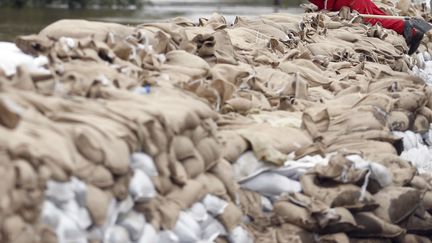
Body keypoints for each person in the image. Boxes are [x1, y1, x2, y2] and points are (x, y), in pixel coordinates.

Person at [309, 0, 424, 55]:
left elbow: (326, 4)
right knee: (381, 15)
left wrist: (326, 9)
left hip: (350, 2)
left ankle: (407, 27)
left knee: (374, 22)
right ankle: (414, 25)